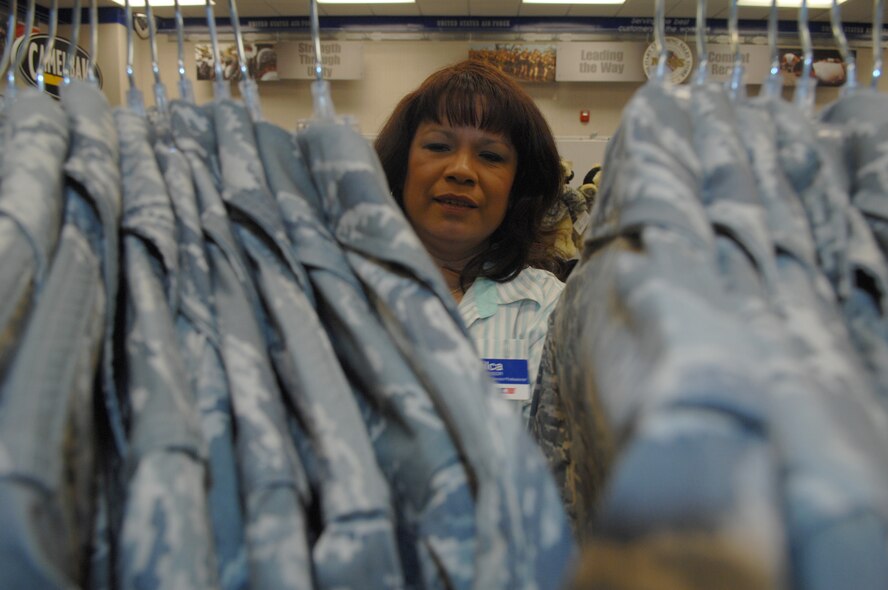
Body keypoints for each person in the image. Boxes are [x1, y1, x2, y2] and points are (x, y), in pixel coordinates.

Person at [374, 59, 565, 423]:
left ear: (517, 188)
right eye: (438, 146)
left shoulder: (548, 309)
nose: (461, 170)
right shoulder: (344, 290)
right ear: (401, 167)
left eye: (490, 155)